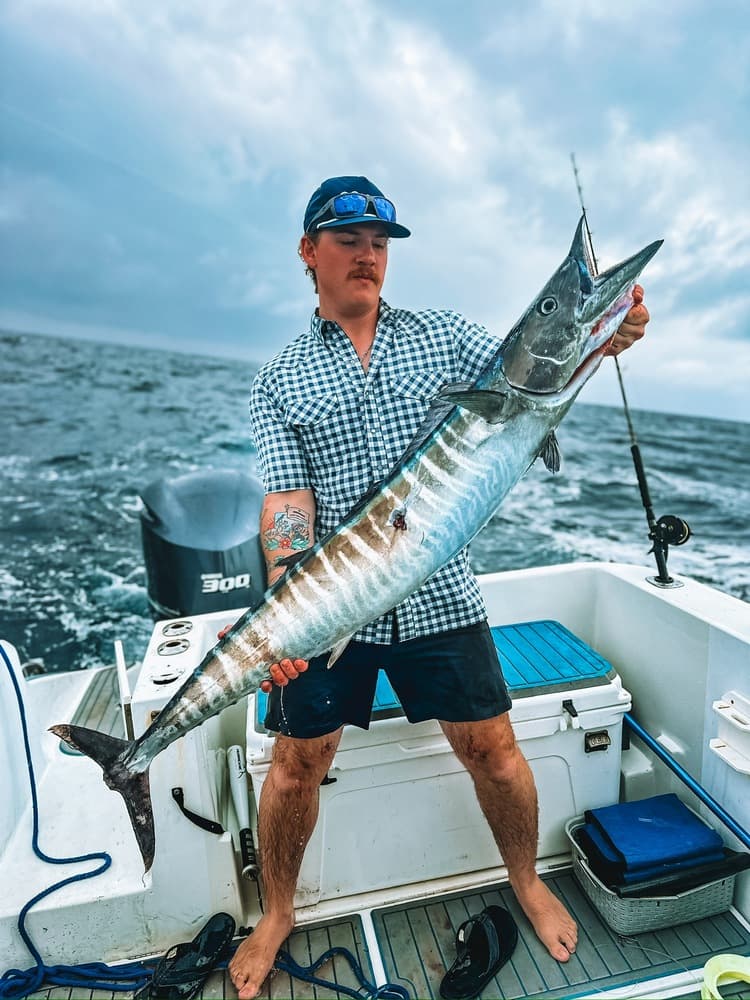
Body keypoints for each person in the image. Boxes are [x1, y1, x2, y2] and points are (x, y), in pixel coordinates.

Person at [228, 176, 651, 998]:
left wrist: (612, 333)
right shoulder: (278, 379)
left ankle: (526, 881)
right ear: (309, 252)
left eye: (379, 243)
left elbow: (534, 367)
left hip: (440, 596)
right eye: (348, 240)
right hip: (337, 604)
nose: (368, 256)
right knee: (296, 764)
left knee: (493, 750)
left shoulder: (446, 336)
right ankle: (277, 912)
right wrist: (286, 608)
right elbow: (287, 505)